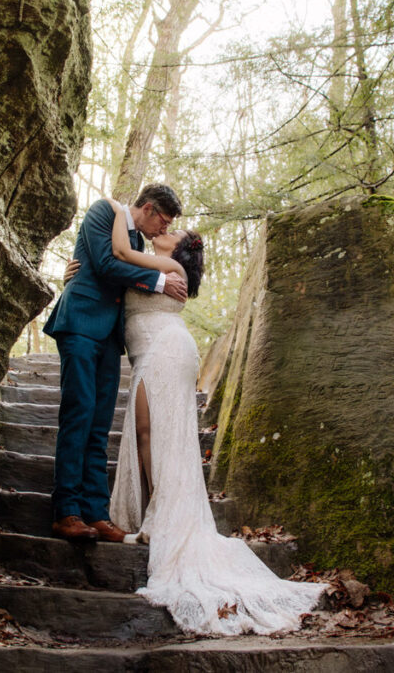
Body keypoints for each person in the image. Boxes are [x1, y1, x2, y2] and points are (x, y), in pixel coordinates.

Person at [66, 198, 327, 635]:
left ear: (181, 249)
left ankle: (163, 516)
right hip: (148, 351)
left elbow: (120, 256)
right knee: (147, 433)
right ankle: (154, 512)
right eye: (164, 223)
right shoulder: (152, 255)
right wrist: (76, 269)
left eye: (173, 232)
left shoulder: (174, 269)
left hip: (167, 349)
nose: (166, 230)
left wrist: (114, 210)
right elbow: (113, 266)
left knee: (153, 433)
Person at [42, 184, 188, 542]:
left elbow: (124, 277)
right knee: (79, 413)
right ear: (150, 208)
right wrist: (159, 281)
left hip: (110, 338)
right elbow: (106, 264)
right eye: (164, 222)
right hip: (79, 325)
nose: (164, 231)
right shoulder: (103, 212)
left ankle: (95, 512)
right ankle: (67, 512)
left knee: (100, 423)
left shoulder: (136, 242)